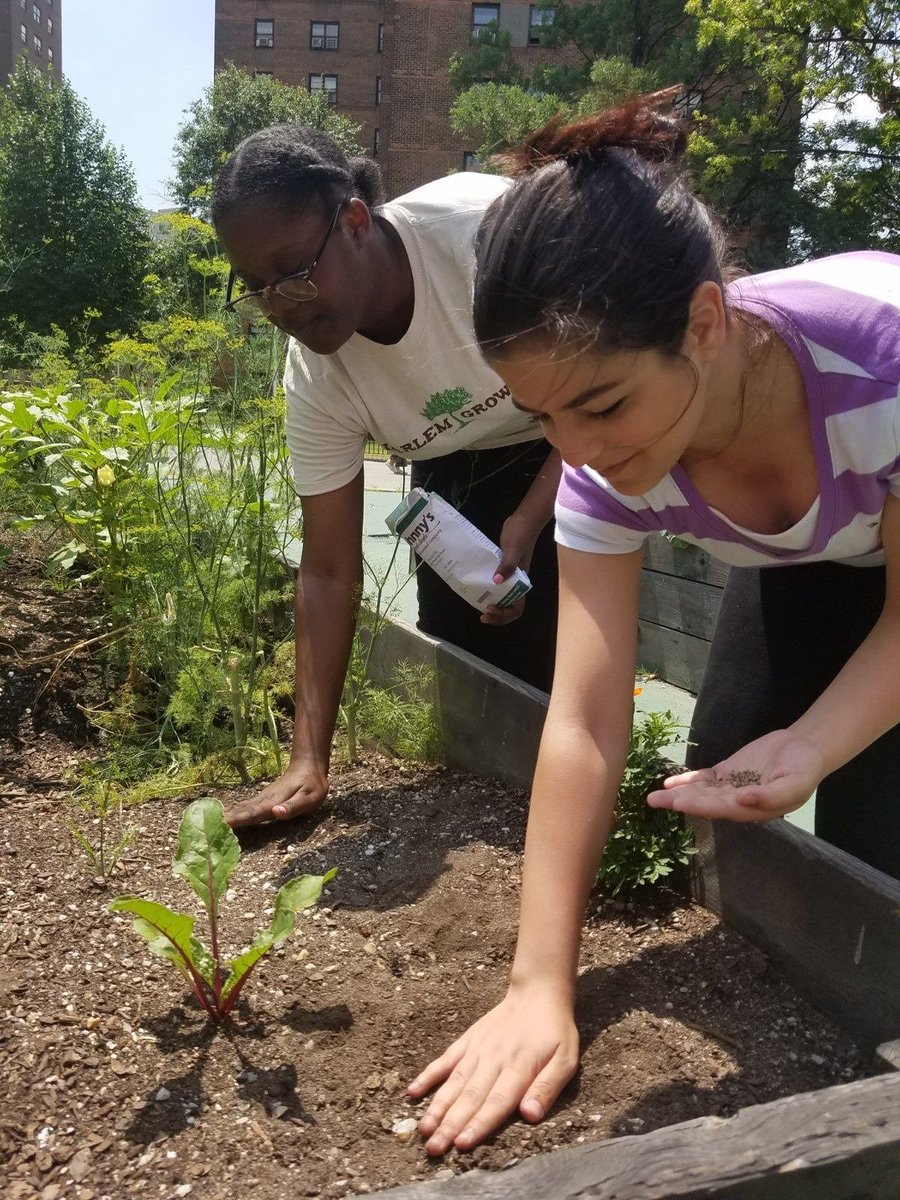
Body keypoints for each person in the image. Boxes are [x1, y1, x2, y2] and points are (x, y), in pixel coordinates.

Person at [407, 90, 900, 1155]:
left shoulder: (886, 367)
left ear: (707, 322)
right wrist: (541, 984)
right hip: (817, 551)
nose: (573, 453)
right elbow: (582, 722)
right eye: (541, 415)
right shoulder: (602, 464)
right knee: (729, 782)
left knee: (880, 845)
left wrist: (818, 743)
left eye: (601, 406)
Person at [211, 126, 560, 828]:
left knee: (560, 679)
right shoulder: (316, 375)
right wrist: (308, 757)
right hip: (450, 476)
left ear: (355, 221)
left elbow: (619, 389)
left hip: (579, 433)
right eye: (257, 290)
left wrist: (528, 518)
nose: (284, 306)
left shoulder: (480, 232)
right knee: (471, 676)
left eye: (295, 271)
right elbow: (329, 570)